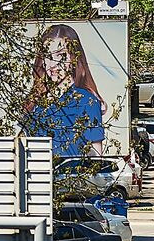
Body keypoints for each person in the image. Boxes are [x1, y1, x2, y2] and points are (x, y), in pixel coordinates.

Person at [27, 24, 107, 158]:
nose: (53, 64)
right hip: (36, 177)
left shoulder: (87, 101)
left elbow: (96, 155)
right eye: (47, 55)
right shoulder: (36, 102)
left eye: (60, 55)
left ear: (74, 58)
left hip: (72, 177)